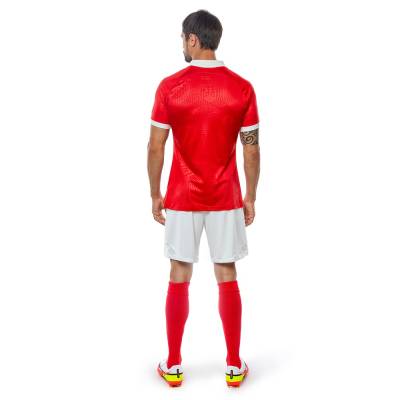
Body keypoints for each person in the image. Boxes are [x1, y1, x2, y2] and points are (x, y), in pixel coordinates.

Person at [147, 9, 260, 388]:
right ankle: (234, 365)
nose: (182, 44)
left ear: (193, 39)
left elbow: (156, 147)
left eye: (183, 38)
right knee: (226, 273)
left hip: (182, 195)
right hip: (226, 196)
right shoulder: (242, 88)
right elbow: (251, 149)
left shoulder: (170, 87)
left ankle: (173, 364)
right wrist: (250, 196)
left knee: (179, 273)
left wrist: (155, 193)